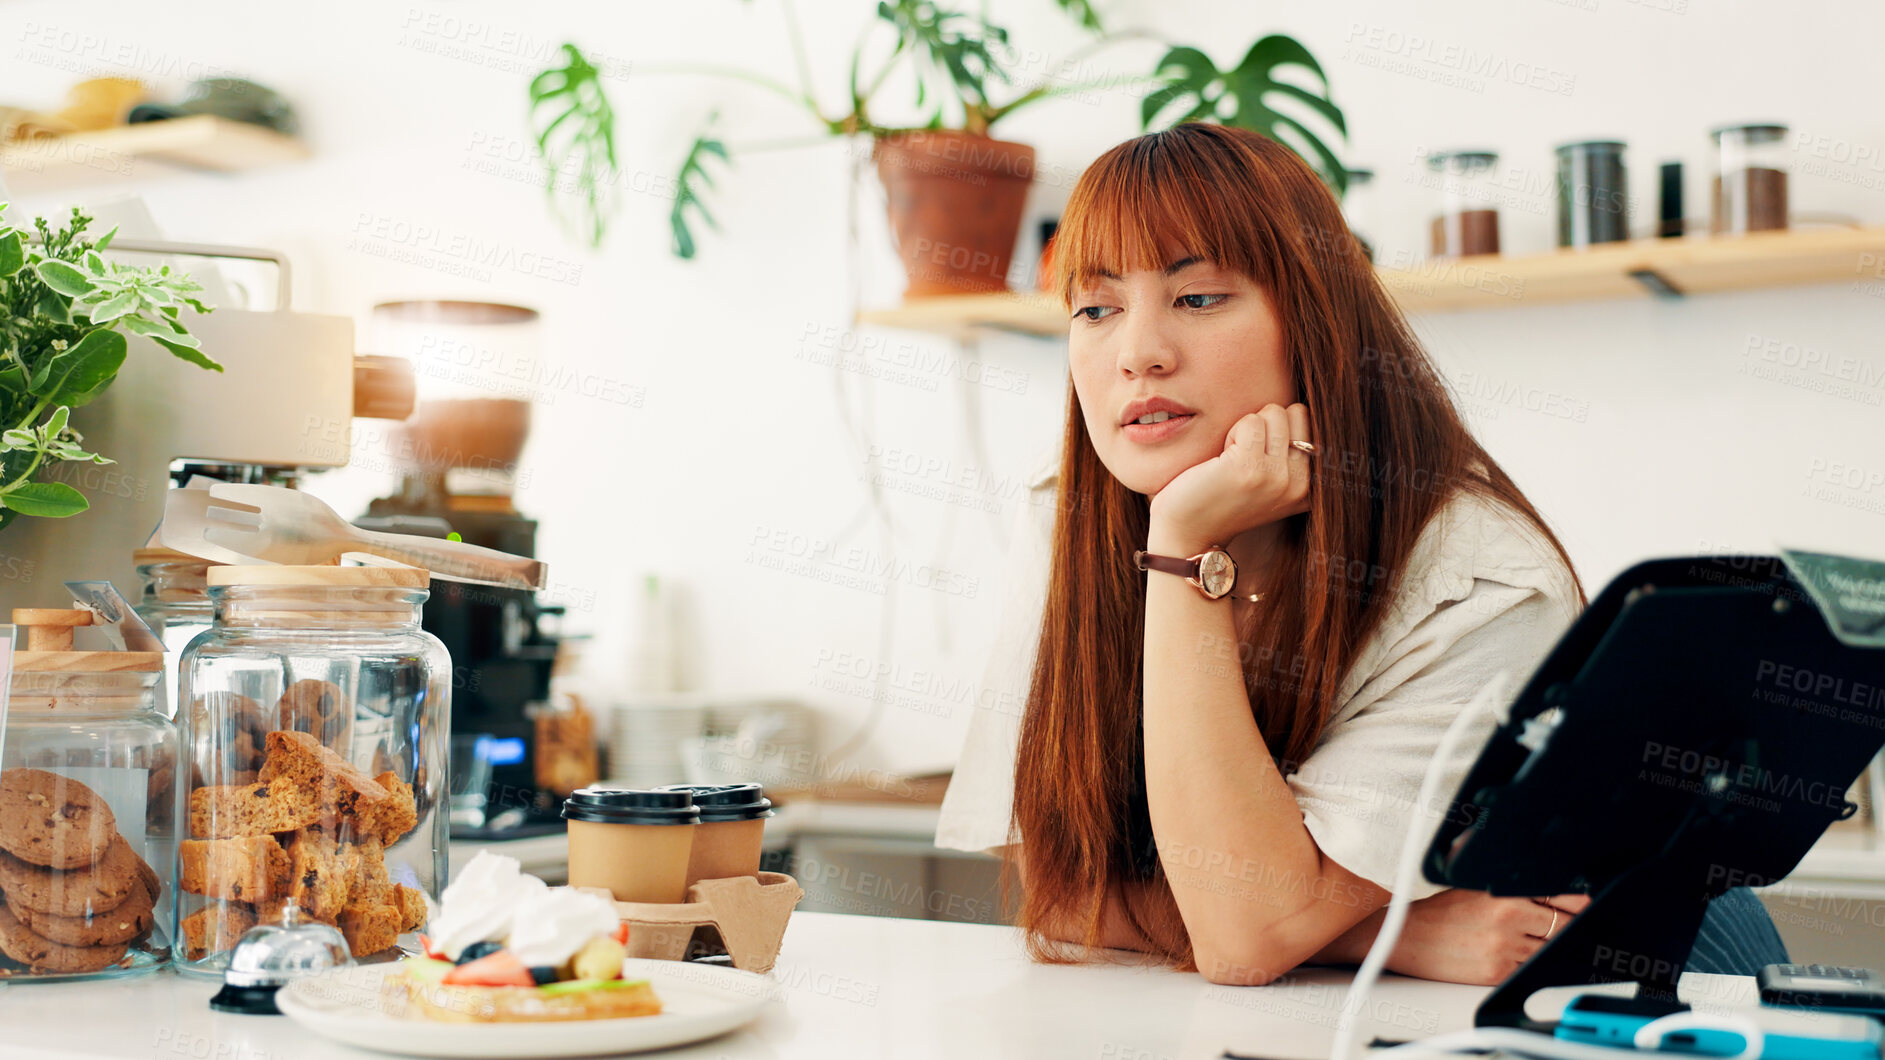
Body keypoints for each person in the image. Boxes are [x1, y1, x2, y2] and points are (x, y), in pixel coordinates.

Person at [934, 123, 1784, 986]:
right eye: (1095, 308)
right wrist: (1391, 936)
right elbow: (1057, 886)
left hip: (1640, 963)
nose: (1137, 352)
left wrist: (1185, 555)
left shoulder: (1481, 577)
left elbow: (1244, 934)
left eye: (1197, 299)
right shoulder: (1071, 516)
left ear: (1312, 318)